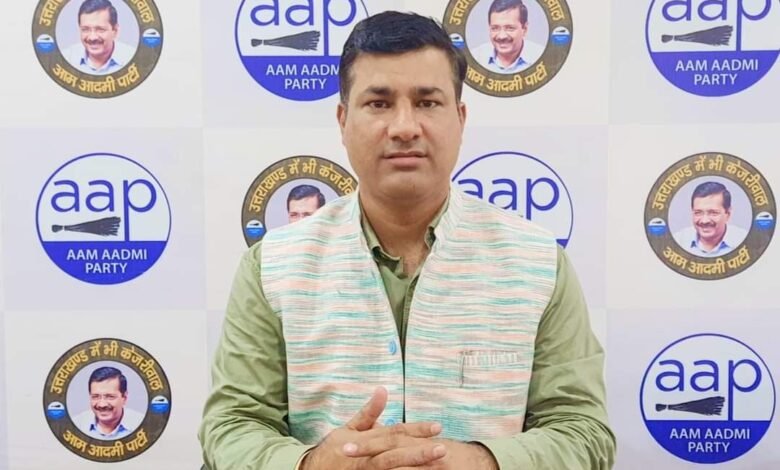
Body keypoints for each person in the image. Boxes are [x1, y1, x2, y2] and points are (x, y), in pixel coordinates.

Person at [200, 11, 614, 470]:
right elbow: (233, 425)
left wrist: (485, 462)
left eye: (427, 102)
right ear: (343, 120)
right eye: (379, 103)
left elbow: (583, 432)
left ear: (460, 119)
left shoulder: (537, 262)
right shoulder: (274, 266)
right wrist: (309, 465)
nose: (404, 127)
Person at [673, 181, 747, 257]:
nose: (704, 221)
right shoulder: (676, 242)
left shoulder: (746, 242)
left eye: (713, 213)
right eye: (698, 213)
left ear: (728, 214)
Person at [62, 0, 135, 75]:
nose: (92, 37)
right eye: (85, 29)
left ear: (115, 30)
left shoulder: (135, 60)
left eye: (100, 29)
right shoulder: (64, 60)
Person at [472, 0, 545, 74]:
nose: (501, 36)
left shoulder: (544, 59)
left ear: (525, 29)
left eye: (510, 28)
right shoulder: (475, 58)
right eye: (495, 28)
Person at [73, 366, 144, 440]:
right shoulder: (75, 426)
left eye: (110, 397)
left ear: (124, 397)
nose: (102, 404)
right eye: (95, 396)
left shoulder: (143, 426)